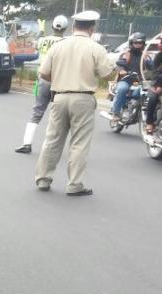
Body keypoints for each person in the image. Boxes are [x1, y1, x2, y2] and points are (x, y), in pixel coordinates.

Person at [34, 11, 115, 196]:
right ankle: (74, 184)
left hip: (59, 97)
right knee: (79, 142)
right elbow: (107, 75)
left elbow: (44, 73)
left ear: (73, 27)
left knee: (53, 139)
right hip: (83, 98)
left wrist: (60, 78)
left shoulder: (58, 46)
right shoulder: (96, 48)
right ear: (92, 28)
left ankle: (43, 179)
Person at [15, 15, 69, 154]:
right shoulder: (67, 43)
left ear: (52, 27)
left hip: (43, 79)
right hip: (60, 81)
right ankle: (52, 146)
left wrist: (41, 32)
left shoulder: (43, 40)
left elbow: (37, 43)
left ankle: (26, 143)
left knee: (37, 111)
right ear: (65, 28)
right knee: (57, 114)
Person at [109, 32, 145, 125]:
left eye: (140, 43)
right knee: (122, 89)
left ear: (143, 43)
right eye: (135, 43)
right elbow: (120, 63)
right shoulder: (127, 54)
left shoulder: (144, 55)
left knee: (143, 92)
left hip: (138, 81)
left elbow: (152, 66)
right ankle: (116, 113)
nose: (138, 45)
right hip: (126, 79)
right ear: (131, 43)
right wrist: (122, 70)